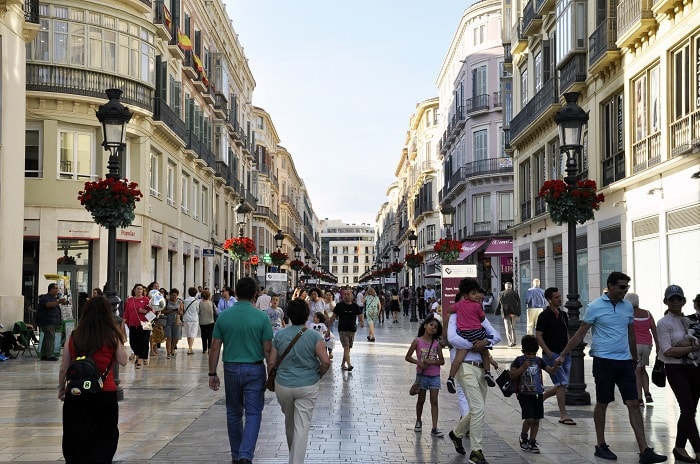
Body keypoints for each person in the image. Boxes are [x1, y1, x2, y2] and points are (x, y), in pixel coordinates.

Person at [556, 272, 666, 464]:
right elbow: (580, 333)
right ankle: (600, 445)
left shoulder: (627, 307)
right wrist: (564, 354)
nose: (625, 291)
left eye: (627, 288)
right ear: (611, 286)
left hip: (624, 362)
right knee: (603, 403)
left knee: (633, 403)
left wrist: (633, 359)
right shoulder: (595, 307)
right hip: (603, 361)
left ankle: (645, 450)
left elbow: (631, 334)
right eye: (622, 287)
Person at [208, 277, 273, 464]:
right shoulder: (261, 317)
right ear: (255, 294)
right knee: (253, 413)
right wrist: (271, 375)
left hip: (230, 369)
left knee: (233, 412)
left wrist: (212, 374)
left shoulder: (224, 316)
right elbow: (268, 350)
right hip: (254, 368)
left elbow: (214, 348)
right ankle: (246, 454)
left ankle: (236, 454)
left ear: (236, 293)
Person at [58, 296, 127, 463]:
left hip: (76, 392)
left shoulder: (74, 336)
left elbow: (64, 367)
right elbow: (123, 360)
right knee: (105, 432)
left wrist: (61, 389)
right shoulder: (111, 335)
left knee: (76, 432)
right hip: (105, 391)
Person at [269, 299, 330, 464]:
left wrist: (271, 378)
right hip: (307, 384)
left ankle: (293, 456)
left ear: (288, 315)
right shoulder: (314, 335)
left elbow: (272, 362)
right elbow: (325, 361)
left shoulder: (280, 335)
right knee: (302, 426)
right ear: (306, 316)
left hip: (283, 384)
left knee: (290, 422)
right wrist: (319, 375)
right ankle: (295, 461)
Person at [446, 312, 501, 464]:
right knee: (478, 408)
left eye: (480, 298)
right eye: (475, 295)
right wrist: (473, 342)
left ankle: (456, 434)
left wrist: (484, 342)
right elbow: (451, 339)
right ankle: (476, 451)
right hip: (466, 367)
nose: (478, 300)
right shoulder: (455, 317)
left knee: (477, 408)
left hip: (482, 368)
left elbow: (496, 336)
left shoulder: (480, 316)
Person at [656, 284, 700, 463]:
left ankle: (680, 448)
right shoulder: (663, 322)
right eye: (671, 299)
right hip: (675, 368)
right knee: (687, 408)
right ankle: (698, 450)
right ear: (666, 301)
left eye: (678, 299)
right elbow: (666, 350)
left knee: (690, 410)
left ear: (684, 301)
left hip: (694, 367)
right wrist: (690, 347)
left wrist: (685, 347)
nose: (675, 302)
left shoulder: (689, 320)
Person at [510, 334, 560, 454]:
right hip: (524, 394)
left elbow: (551, 370)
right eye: (528, 354)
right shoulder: (519, 361)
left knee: (537, 420)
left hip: (537, 393)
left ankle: (533, 441)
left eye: (533, 353)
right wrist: (523, 367)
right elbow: (512, 375)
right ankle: (523, 436)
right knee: (529, 419)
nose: (531, 356)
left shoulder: (539, 361)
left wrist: (556, 365)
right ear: (523, 351)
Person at [446, 278, 496, 393]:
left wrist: (457, 311)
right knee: (485, 353)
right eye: (474, 293)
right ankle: (487, 373)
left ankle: (451, 378)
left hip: (463, 335)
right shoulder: (477, 306)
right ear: (466, 295)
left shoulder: (458, 305)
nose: (477, 295)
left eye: (476, 293)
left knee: (459, 357)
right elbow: (482, 317)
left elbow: (449, 310)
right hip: (477, 333)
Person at [535, 287, 576, 425]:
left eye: (560, 296)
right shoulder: (544, 316)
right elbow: (539, 337)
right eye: (556, 297)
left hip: (565, 354)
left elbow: (567, 334)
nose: (560, 299)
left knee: (562, 384)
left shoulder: (563, 315)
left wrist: (568, 349)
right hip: (552, 355)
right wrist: (549, 353)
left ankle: (541, 398)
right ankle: (563, 414)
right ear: (549, 300)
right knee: (562, 383)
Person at [405, 314, 445, 438]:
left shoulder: (436, 344)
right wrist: (419, 363)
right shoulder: (417, 341)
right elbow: (408, 357)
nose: (433, 328)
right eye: (431, 325)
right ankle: (418, 421)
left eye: (436, 327)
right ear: (425, 325)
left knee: (434, 400)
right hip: (421, 375)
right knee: (421, 400)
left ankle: (434, 427)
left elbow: (442, 361)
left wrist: (432, 362)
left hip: (434, 375)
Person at [626, 292, 659, 406]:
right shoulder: (647, 313)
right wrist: (658, 346)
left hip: (635, 345)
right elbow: (654, 330)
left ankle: (639, 398)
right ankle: (647, 393)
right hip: (647, 345)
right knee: (643, 370)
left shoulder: (628, 314)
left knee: (636, 371)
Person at [333, 288, 365, 371]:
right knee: (346, 346)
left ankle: (343, 363)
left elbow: (360, 314)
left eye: (348, 294)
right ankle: (349, 364)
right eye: (345, 294)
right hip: (342, 330)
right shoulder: (339, 305)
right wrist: (328, 328)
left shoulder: (355, 306)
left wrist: (362, 322)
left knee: (348, 348)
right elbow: (333, 317)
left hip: (352, 329)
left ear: (352, 296)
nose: (346, 296)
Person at [122, 284, 152, 369]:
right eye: (138, 289)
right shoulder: (130, 300)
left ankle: (140, 360)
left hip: (146, 323)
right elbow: (126, 312)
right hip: (133, 324)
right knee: (133, 342)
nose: (139, 291)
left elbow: (152, 311)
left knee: (144, 342)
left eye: (141, 289)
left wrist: (144, 311)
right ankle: (139, 356)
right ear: (134, 290)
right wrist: (123, 323)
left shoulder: (146, 300)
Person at [38, 283, 67, 361]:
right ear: (51, 289)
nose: (58, 290)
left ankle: (44, 354)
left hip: (52, 321)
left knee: (47, 338)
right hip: (47, 321)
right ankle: (50, 355)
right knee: (50, 337)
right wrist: (59, 301)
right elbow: (48, 305)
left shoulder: (53, 298)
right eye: (56, 288)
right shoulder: (46, 298)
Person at [496, 282, 521, 347]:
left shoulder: (501, 293)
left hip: (505, 313)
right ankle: (514, 341)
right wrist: (518, 312)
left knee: (507, 328)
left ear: (505, 287)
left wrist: (497, 311)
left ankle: (510, 342)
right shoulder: (515, 293)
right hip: (514, 313)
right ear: (511, 287)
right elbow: (518, 304)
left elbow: (499, 304)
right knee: (513, 328)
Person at [163, 288, 183, 359]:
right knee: (169, 337)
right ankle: (168, 352)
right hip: (168, 321)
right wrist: (169, 311)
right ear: (170, 295)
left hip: (177, 321)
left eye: (175, 295)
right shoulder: (166, 302)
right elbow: (163, 311)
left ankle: (172, 349)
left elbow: (182, 311)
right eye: (172, 295)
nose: (174, 297)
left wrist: (179, 312)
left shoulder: (179, 302)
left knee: (176, 338)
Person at [182, 287, 200, 355]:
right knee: (193, 334)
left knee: (188, 334)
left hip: (186, 318)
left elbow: (183, 309)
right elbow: (198, 310)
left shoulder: (185, 300)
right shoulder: (196, 302)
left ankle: (190, 347)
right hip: (194, 319)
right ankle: (190, 348)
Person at [198, 290, 215, 354]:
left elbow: (198, 311)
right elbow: (216, 311)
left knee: (203, 335)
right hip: (211, 321)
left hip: (202, 322)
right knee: (210, 335)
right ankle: (209, 348)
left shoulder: (200, 303)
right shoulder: (211, 303)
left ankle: (204, 349)